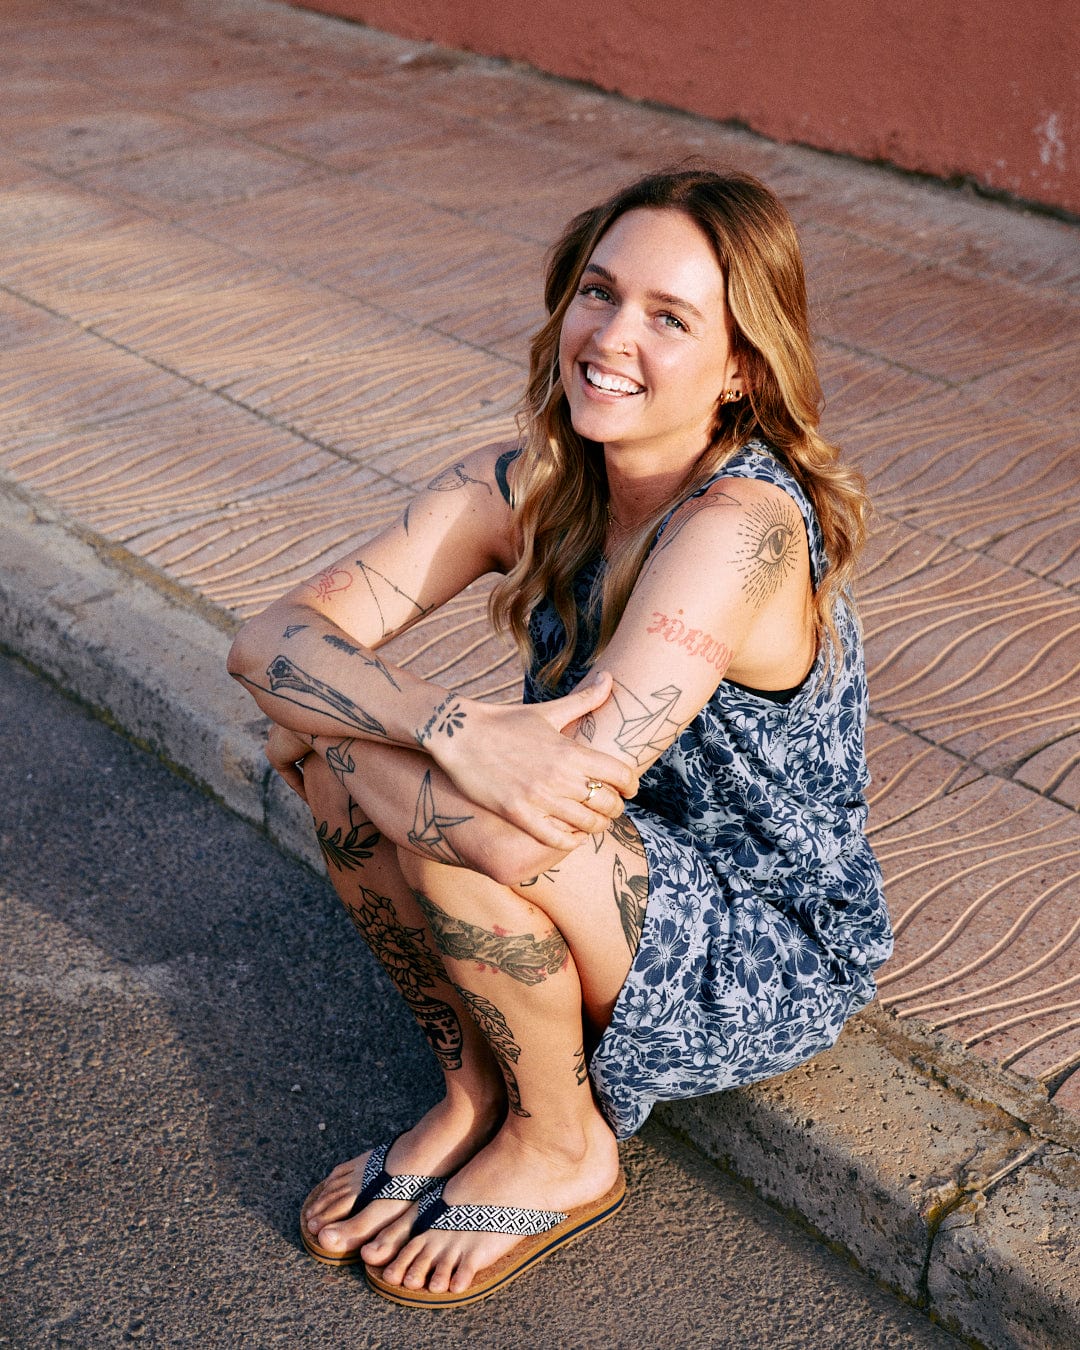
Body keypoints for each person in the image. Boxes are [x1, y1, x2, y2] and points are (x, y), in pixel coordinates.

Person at [227, 165, 893, 1309]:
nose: (612, 335)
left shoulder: (741, 528)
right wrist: (446, 723)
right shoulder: (532, 478)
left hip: (759, 939)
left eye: (669, 317)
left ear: (741, 367)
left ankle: (562, 1144)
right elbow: (269, 642)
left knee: (433, 796)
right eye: (600, 291)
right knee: (321, 733)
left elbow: (556, 793)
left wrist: (430, 744)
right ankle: (473, 1087)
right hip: (596, 861)